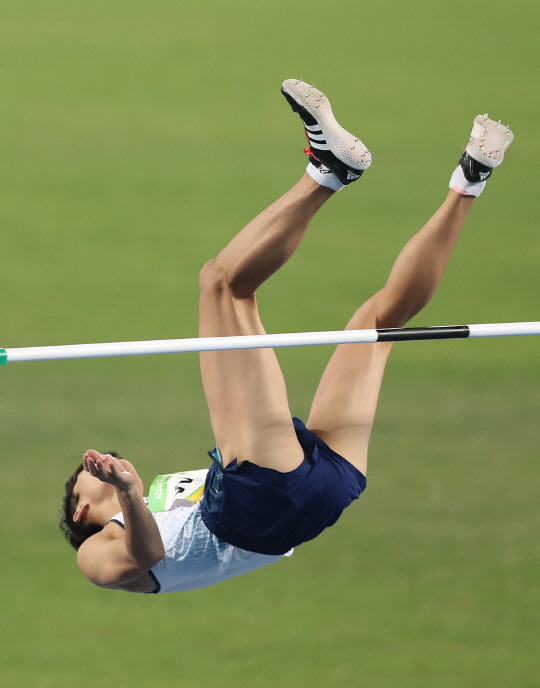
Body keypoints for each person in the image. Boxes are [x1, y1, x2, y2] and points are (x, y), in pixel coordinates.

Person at [59, 79, 514, 594]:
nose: (103, 463)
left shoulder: (161, 493)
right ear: (82, 508)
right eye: (91, 472)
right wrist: (127, 491)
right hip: (264, 504)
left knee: (376, 328)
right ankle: (329, 173)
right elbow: (148, 556)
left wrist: (136, 490)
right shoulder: (96, 551)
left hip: (315, 494)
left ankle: (471, 176)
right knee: (222, 284)